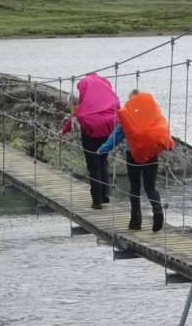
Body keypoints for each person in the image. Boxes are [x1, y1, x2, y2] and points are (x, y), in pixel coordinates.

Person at [97, 89, 173, 231]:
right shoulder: (153, 114)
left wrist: (103, 149)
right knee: (150, 187)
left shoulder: (128, 115)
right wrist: (169, 145)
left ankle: (136, 221)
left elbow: (117, 136)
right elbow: (163, 130)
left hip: (133, 153)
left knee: (135, 187)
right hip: (151, 153)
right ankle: (157, 209)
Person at [58, 73, 120, 209]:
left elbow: (75, 115)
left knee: (94, 168)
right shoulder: (107, 93)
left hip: (90, 134)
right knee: (103, 162)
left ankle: (97, 201)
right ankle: (105, 194)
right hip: (107, 131)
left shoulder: (84, 96)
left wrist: (64, 130)